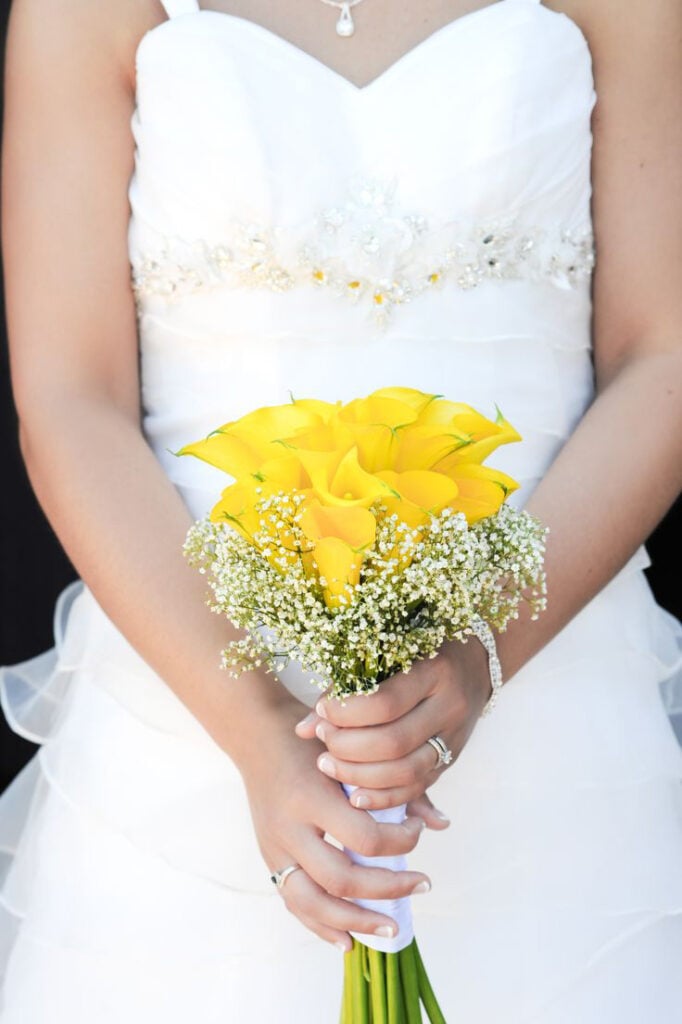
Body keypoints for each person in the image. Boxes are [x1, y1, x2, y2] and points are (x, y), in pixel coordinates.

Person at [1, 0, 681, 1020]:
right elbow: (69, 395)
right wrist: (258, 735)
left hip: (550, 682)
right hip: (192, 703)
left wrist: (480, 650)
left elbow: (662, 357)